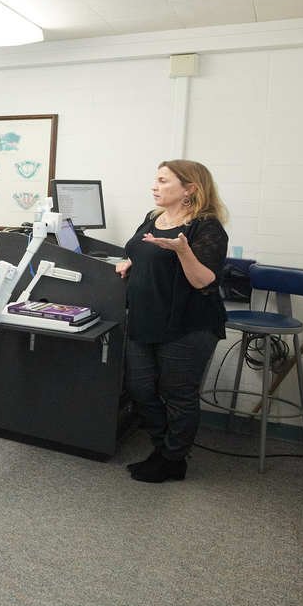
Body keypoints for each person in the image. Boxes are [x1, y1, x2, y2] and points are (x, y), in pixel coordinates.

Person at [116, 159, 229, 484]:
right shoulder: (153, 218)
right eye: (156, 180)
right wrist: (129, 262)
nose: (155, 186)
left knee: (177, 393)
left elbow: (203, 281)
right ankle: (163, 447)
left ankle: (173, 459)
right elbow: (141, 252)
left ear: (189, 189)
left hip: (188, 324)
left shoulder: (206, 227)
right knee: (138, 387)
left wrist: (182, 250)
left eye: (164, 181)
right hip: (145, 318)